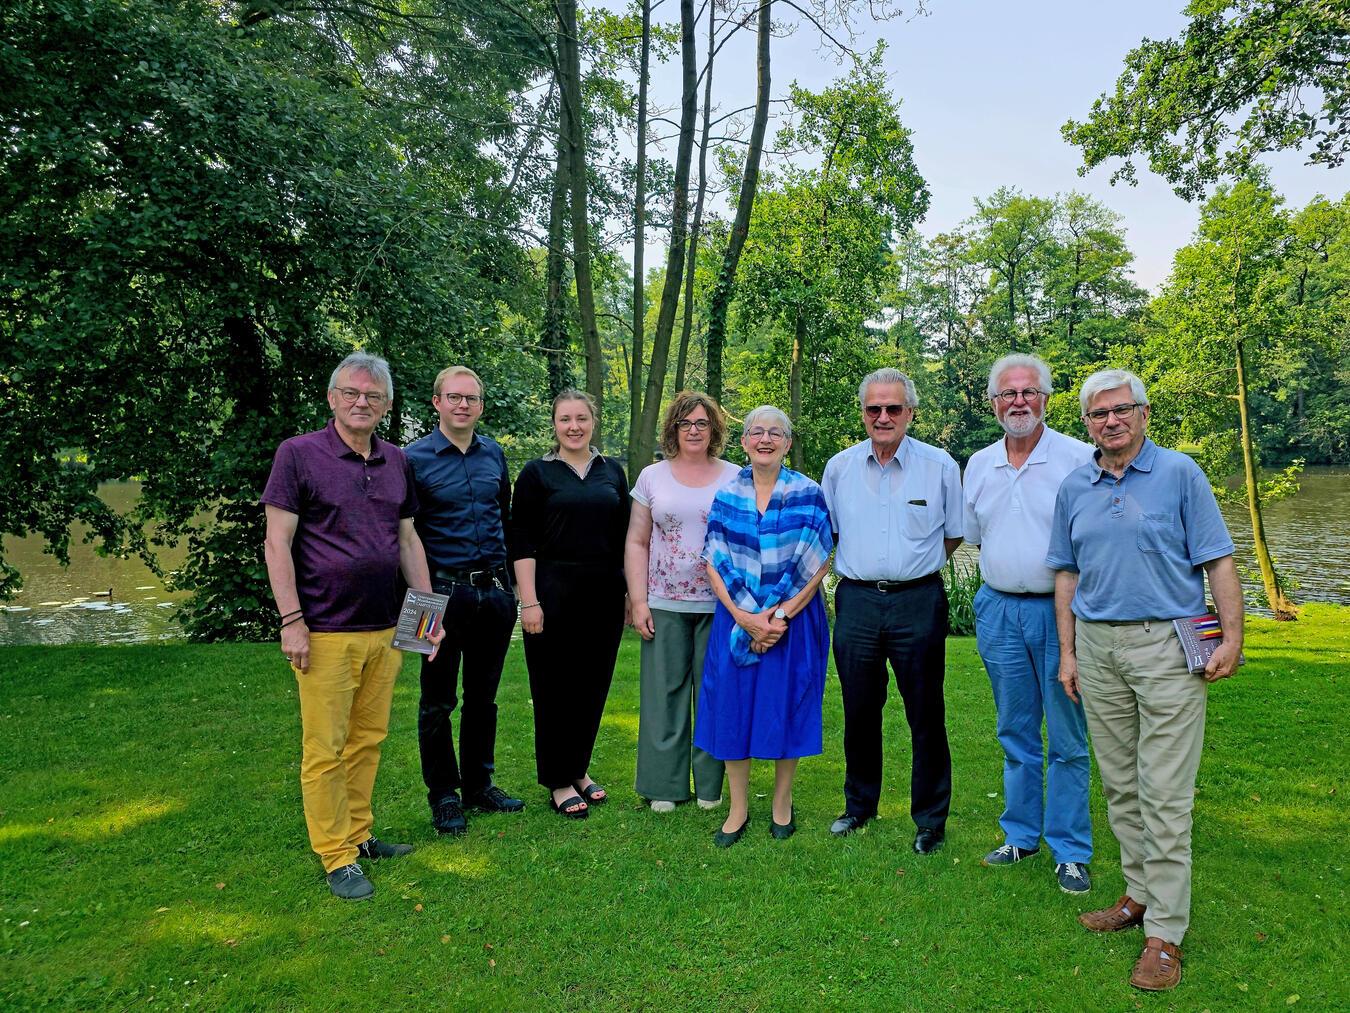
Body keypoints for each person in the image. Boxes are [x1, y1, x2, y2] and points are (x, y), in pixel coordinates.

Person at [1047, 368, 1243, 992]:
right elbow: (1067, 576)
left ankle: (1165, 932)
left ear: (1143, 413)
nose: (1110, 420)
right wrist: (1069, 654)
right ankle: (1137, 896)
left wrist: (1233, 637)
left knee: (1164, 794)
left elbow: (1217, 559)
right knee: (1122, 787)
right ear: (1087, 423)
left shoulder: (1181, 474)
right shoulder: (1074, 486)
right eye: (1098, 413)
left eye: (1120, 409)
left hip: (1166, 646)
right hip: (1098, 649)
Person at [261, 352, 443, 901]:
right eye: (351, 393)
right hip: (323, 629)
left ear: (386, 405)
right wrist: (291, 621)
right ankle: (335, 855)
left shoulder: (395, 460)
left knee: (368, 740)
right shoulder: (298, 455)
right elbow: (277, 543)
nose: (361, 402)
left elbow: (408, 541)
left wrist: (428, 619)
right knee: (325, 748)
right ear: (332, 398)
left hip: (386, 627)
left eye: (373, 395)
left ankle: (360, 835)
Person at [963, 354, 1095, 895]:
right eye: (1007, 394)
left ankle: (1070, 849)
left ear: (1045, 398)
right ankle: (1020, 834)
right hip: (998, 608)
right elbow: (974, 537)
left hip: (1061, 611)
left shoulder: (1078, 458)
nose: (1018, 401)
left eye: (1028, 392)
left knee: (1067, 736)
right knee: (1015, 729)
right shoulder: (979, 463)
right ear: (993, 403)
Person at [821, 367, 963, 854]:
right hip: (857, 600)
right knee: (859, 710)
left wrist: (912, 570)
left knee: (926, 712)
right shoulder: (839, 468)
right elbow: (831, 534)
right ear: (863, 413)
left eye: (893, 408)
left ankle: (929, 819)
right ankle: (859, 806)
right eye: (873, 408)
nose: (883, 417)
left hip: (917, 600)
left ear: (910, 412)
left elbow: (954, 533)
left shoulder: (940, 465)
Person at [694, 406, 833, 847]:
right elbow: (713, 558)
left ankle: (782, 804)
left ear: (788, 443)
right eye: (757, 432)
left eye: (776, 433)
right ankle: (737, 809)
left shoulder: (808, 493)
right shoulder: (727, 494)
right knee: (732, 708)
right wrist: (745, 618)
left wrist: (779, 616)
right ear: (744, 442)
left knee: (786, 703)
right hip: (736, 618)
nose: (766, 439)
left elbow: (820, 559)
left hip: (792, 619)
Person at [405, 365, 524, 838]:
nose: (462, 405)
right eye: (453, 397)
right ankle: (443, 795)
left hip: (493, 593)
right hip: (431, 596)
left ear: (480, 405)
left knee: (483, 698)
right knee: (435, 701)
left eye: (470, 398)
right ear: (436, 402)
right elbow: (403, 535)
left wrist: (513, 591)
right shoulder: (410, 460)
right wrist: (416, 603)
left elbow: (505, 519)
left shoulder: (494, 454)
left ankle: (479, 783)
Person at [511, 389, 630, 819]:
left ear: (593, 421)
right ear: (555, 424)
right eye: (565, 419)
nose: (574, 426)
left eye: (581, 418)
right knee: (553, 687)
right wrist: (530, 602)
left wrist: (632, 595)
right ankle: (558, 780)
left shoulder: (612, 472)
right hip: (552, 590)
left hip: (603, 592)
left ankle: (579, 769)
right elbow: (520, 541)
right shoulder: (536, 474)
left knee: (592, 686)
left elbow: (625, 539)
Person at [625, 392, 740, 813]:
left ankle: (711, 787)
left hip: (722, 605)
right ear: (673, 429)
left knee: (714, 694)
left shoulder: (736, 476)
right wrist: (638, 601)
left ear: (714, 430)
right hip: (664, 602)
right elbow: (637, 541)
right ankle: (664, 786)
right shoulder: (652, 477)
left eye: (702, 423)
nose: (694, 430)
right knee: (664, 694)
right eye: (685, 423)